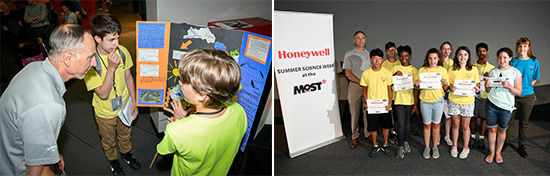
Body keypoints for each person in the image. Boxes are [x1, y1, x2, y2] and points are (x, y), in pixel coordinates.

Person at [0, 24, 96, 175]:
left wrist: (48, 150)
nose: (94, 63)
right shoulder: (49, 106)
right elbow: (35, 173)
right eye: (90, 57)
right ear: (68, 58)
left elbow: (30, 127)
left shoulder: (34, 67)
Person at [157, 49, 247, 175]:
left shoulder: (176, 131)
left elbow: (163, 150)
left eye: (184, 80)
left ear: (201, 94)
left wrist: (178, 124)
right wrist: (185, 122)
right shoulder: (239, 111)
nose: (179, 82)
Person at [84, 13, 139, 176]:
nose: (117, 44)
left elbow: (129, 77)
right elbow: (102, 93)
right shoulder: (90, 62)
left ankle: (126, 153)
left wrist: (134, 101)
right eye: (111, 40)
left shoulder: (122, 52)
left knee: (125, 134)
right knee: (108, 141)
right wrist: (111, 68)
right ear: (98, 39)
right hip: (105, 112)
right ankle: (113, 160)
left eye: (118, 38)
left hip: (124, 105)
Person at [484, 47, 522, 164]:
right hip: (491, 104)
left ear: (510, 58)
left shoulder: (515, 72)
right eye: (500, 58)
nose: (502, 60)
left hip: (506, 107)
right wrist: (487, 85)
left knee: (502, 130)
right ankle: (491, 152)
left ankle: (498, 152)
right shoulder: (493, 72)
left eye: (505, 57)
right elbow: (488, 90)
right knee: (491, 130)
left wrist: (509, 86)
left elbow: (518, 92)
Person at [505, 37, 540, 158]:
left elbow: (535, 77)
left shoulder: (534, 61)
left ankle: (522, 145)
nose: (522, 48)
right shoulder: (513, 62)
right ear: (517, 48)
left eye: (525, 46)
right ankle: (506, 142)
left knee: (523, 123)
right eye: (520, 46)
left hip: (527, 97)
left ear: (528, 47)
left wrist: (529, 87)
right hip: (513, 96)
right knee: (509, 121)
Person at [414, 48, 449, 159]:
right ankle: (427, 146)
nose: (432, 60)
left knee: (436, 124)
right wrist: (416, 84)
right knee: (427, 125)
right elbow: (416, 87)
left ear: (438, 58)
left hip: (438, 101)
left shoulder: (443, 70)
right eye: (430, 58)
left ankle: (434, 146)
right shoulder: (422, 70)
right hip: (425, 101)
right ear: (427, 59)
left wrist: (445, 83)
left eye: (435, 58)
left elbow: (446, 88)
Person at [448, 46, 480, 159]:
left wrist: (476, 87)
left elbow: (477, 84)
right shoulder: (451, 69)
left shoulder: (473, 69)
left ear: (468, 56)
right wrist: (450, 87)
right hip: (454, 100)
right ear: (457, 56)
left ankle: (466, 147)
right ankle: (454, 146)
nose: (463, 57)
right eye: (460, 54)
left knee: (465, 126)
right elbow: (448, 85)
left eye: (465, 54)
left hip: (468, 101)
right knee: (455, 125)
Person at [360, 48, 393, 157]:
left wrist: (390, 104)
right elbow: (364, 90)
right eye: (374, 58)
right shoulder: (366, 73)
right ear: (370, 59)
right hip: (372, 107)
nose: (377, 61)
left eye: (379, 58)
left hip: (384, 106)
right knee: (373, 127)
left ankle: (385, 144)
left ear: (382, 60)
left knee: (386, 126)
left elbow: (390, 89)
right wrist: (366, 102)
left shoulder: (387, 73)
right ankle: (375, 145)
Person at [343, 31, 372, 149]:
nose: (361, 40)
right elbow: (348, 73)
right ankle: (355, 136)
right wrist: (360, 82)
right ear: (354, 40)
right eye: (358, 38)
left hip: (368, 87)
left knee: (367, 112)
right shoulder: (348, 54)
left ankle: (367, 133)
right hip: (355, 86)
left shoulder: (369, 54)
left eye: (363, 38)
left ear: (365, 40)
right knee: (354, 113)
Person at [391, 45, 418, 158]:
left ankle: (406, 142)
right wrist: (394, 76)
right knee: (401, 125)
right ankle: (400, 146)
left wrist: (416, 104)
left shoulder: (414, 70)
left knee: (407, 124)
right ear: (399, 57)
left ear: (410, 56)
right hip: (398, 101)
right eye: (401, 56)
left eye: (406, 56)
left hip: (409, 100)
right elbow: (389, 85)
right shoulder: (395, 68)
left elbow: (416, 89)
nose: (404, 58)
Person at [470, 42, 495, 150]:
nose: (481, 53)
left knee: (484, 118)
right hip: (474, 96)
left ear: (487, 52)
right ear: (476, 53)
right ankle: (472, 137)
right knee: (473, 117)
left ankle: (481, 138)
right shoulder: (471, 66)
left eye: (483, 51)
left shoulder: (492, 68)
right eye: (479, 51)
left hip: (486, 96)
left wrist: (489, 78)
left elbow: (494, 84)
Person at [382, 41, 400, 143]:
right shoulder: (383, 64)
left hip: (398, 95)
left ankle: (397, 132)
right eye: (389, 50)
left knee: (398, 116)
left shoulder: (400, 63)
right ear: (386, 52)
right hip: (387, 94)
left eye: (393, 49)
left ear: (396, 50)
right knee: (390, 116)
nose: (391, 51)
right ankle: (391, 133)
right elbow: (383, 80)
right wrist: (394, 77)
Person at [440, 41, 454, 146]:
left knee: (448, 117)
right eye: (444, 48)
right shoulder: (437, 62)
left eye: (448, 48)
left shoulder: (454, 64)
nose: (446, 51)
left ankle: (447, 136)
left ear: (451, 51)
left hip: (450, 93)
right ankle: (438, 135)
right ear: (441, 50)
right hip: (438, 92)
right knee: (438, 116)